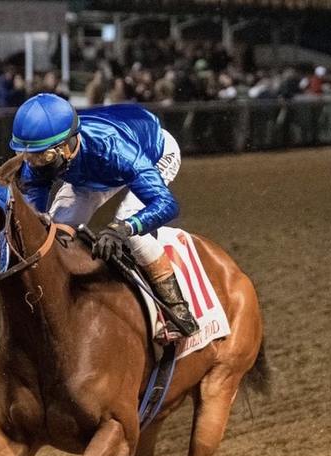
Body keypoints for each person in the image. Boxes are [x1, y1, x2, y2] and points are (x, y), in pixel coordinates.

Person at [11, 93, 199, 339]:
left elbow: (166, 204)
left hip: (153, 154)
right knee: (57, 229)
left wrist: (124, 228)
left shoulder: (114, 149)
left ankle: (179, 311)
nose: (34, 165)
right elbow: (33, 214)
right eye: (28, 157)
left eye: (43, 157)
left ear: (66, 146)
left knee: (131, 227)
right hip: (90, 170)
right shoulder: (41, 156)